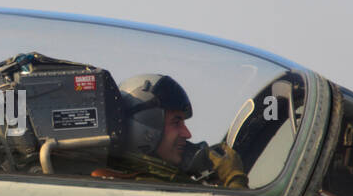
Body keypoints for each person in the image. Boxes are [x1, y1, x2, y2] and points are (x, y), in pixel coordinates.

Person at [93, 73, 249, 189]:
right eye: (176, 122)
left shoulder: (163, 180)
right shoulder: (147, 189)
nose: (187, 134)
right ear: (145, 129)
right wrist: (234, 178)